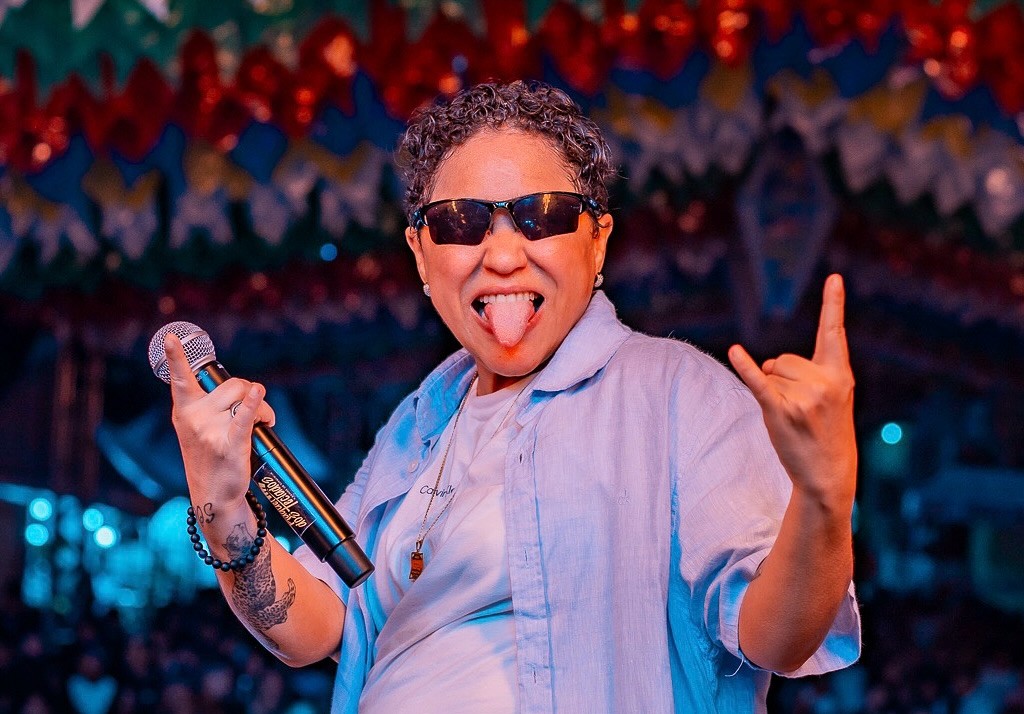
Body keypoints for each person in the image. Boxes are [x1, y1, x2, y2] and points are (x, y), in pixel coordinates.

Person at [162, 80, 860, 713]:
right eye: (460, 223)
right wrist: (221, 504)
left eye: (542, 216)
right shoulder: (417, 423)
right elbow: (317, 627)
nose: (501, 255)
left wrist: (824, 496)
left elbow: (775, 637)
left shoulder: (676, 392)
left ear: (597, 242)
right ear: (421, 254)